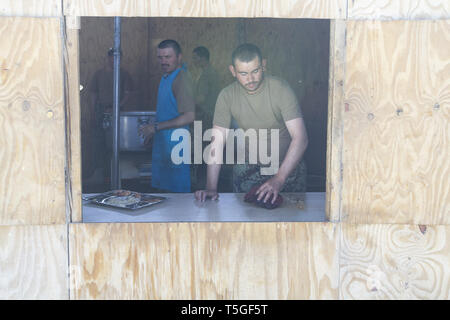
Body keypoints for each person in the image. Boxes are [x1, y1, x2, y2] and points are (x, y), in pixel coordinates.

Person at [194, 43, 308, 204]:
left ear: (264, 66)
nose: (250, 79)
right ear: (233, 71)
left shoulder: (280, 89)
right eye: (243, 73)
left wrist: (279, 178)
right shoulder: (226, 96)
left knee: (289, 223)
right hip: (249, 169)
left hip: (287, 168)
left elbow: (301, 138)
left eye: (255, 71)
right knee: (245, 222)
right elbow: (217, 143)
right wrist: (211, 187)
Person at [139, 40, 195, 192]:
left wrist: (155, 128)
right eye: (160, 57)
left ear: (179, 57)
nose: (163, 61)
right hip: (164, 145)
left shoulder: (181, 79)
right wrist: (154, 134)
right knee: (164, 197)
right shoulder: (165, 77)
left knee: (178, 199)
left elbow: (189, 116)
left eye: (168, 57)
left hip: (177, 147)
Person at [87, 48, 134, 185]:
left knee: (116, 143)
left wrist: (117, 107)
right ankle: (98, 174)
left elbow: (128, 94)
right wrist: (92, 112)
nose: (115, 60)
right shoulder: (99, 74)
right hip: (100, 111)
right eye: (113, 57)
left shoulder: (124, 74)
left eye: (118, 57)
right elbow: (93, 94)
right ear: (108, 58)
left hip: (117, 112)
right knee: (98, 142)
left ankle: (116, 176)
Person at [191, 46, 221, 190]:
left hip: (205, 119)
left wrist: (185, 102)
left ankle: (202, 186)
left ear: (202, 58)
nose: (194, 61)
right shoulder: (211, 73)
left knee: (203, 154)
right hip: (210, 118)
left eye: (195, 57)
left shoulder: (206, 75)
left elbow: (201, 100)